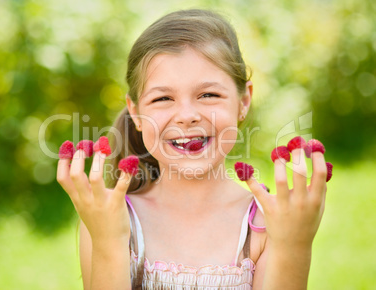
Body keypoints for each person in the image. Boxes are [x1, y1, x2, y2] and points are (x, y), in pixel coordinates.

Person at [57, 9, 328, 289]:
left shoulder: (267, 223)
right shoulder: (108, 218)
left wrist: (293, 246)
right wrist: (108, 242)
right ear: (135, 113)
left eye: (208, 95)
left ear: (243, 101)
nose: (187, 115)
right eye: (163, 98)